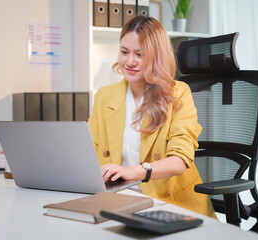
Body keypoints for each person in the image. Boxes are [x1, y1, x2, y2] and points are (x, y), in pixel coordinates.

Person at [88, 15, 215, 217]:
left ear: (157, 56)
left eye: (140, 54)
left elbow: (179, 161)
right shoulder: (105, 96)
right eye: (124, 52)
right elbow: (89, 153)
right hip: (117, 200)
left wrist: (135, 171)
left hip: (168, 204)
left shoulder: (178, 94)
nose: (130, 61)